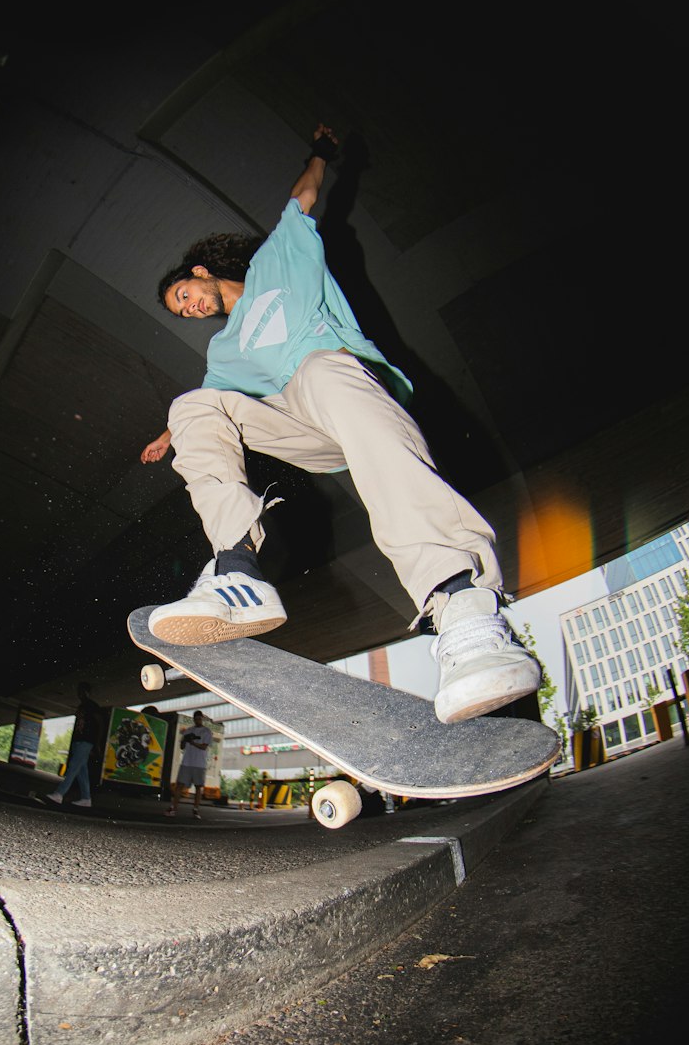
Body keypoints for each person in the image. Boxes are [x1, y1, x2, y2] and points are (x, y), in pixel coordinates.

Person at [140, 124, 540, 725]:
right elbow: (213, 399)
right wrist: (175, 430)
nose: (191, 309)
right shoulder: (223, 351)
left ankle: (463, 608)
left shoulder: (280, 257)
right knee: (191, 403)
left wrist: (321, 154)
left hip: (344, 391)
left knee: (322, 370)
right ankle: (237, 573)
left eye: (184, 295)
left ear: (199, 271)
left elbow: (304, 194)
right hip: (304, 429)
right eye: (183, 312)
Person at [45, 683, 102, 807]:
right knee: (82, 771)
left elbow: (99, 724)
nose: (79, 694)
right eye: (78, 692)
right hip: (78, 741)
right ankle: (86, 798)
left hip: (86, 741)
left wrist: (96, 744)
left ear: (88, 692)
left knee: (73, 767)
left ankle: (59, 794)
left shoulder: (92, 706)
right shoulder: (81, 706)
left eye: (82, 691)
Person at [166, 710, 213, 817]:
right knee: (179, 785)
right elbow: (182, 747)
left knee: (198, 787)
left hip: (200, 764)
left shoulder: (206, 731)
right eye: (196, 719)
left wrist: (192, 742)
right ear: (194, 719)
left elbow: (204, 747)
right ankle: (173, 808)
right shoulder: (189, 730)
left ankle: (196, 809)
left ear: (202, 719)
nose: (197, 720)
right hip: (186, 762)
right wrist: (184, 740)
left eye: (199, 719)